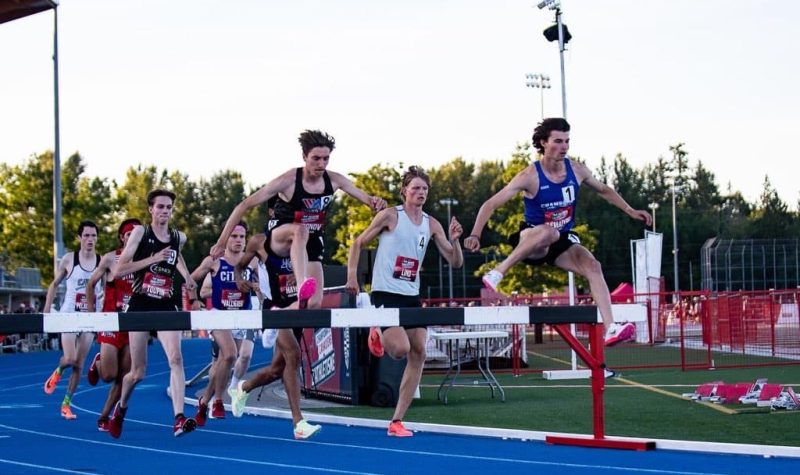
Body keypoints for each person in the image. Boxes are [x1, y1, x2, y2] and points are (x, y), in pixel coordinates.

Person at [464, 118, 652, 346]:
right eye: (558, 141)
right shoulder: (529, 176)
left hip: (562, 240)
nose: (564, 147)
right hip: (533, 240)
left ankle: (610, 327)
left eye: (567, 141)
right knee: (548, 233)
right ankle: (498, 272)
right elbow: (490, 204)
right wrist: (475, 234)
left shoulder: (577, 170)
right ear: (543, 143)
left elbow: (604, 190)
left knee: (593, 266)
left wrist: (630, 210)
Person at [345, 166, 464, 437]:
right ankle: (376, 332)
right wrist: (352, 276)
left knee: (419, 351)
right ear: (404, 191)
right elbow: (357, 243)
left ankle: (397, 421)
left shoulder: (431, 224)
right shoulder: (390, 216)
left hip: (411, 295)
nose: (420, 193)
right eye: (416, 188)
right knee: (399, 350)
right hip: (385, 293)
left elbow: (455, 262)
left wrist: (455, 241)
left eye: (424, 189)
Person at [210, 129, 386, 313]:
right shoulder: (288, 180)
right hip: (280, 236)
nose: (321, 164)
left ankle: (277, 316)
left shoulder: (334, 180)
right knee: (300, 230)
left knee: (314, 304)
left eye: (326, 159)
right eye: (316, 158)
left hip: (311, 242)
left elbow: (368, 200)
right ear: (304, 156)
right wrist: (221, 242)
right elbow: (244, 206)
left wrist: (376, 202)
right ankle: (302, 284)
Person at [106, 189, 199, 438]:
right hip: (140, 304)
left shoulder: (179, 237)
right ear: (151, 209)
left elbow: (175, 255)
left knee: (176, 359)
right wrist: (153, 259)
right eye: (160, 207)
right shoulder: (140, 233)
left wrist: (188, 278)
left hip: (166, 304)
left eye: (169, 207)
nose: (165, 212)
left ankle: (179, 418)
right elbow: (119, 270)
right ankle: (121, 410)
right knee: (138, 373)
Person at [227, 230, 322, 440]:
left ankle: (244, 387)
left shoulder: (306, 240)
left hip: (296, 308)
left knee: (277, 370)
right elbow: (239, 265)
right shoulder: (261, 242)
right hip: (273, 308)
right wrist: (238, 278)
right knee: (294, 356)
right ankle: (298, 422)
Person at [190, 220, 258, 425]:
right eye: (234, 236)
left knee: (224, 364)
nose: (238, 240)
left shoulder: (251, 261)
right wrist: (194, 300)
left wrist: (255, 286)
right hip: (219, 314)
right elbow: (191, 279)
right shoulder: (214, 261)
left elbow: (263, 281)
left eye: (242, 237)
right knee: (230, 354)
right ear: (226, 238)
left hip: (242, 315)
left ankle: (204, 402)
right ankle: (218, 401)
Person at [84, 218, 141, 432]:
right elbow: (90, 285)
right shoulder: (110, 259)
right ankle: (98, 361)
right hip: (110, 322)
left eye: (136, 234)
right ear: (122, 237)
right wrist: (92, 316)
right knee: (107, 375)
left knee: (124, 375)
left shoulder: (144, 261)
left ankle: (105, 415)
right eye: (128, 234)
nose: (132, 238)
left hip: (132, 325)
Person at [42, 220, 102, 420]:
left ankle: (66, 404)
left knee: (79, 364)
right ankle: (59, 370)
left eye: (93, 236)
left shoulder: (101, 262)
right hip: (68, 315)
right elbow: (53, 285)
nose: (90, 239)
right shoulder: (69, 259)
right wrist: (46, 311)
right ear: (79, 238)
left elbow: (107, 289)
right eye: (86, 235)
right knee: (70, 359)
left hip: (89, 318)